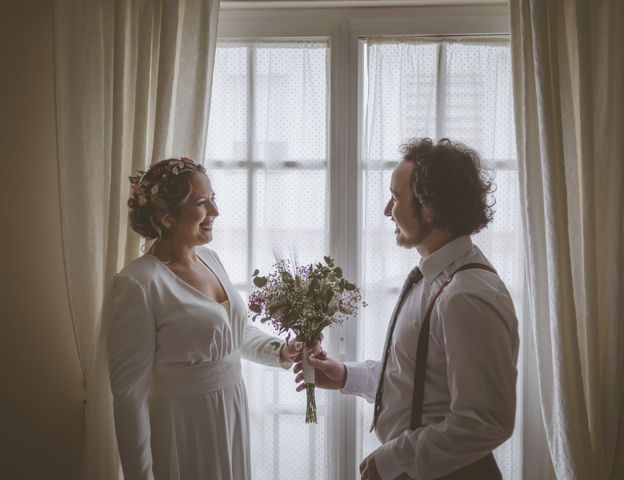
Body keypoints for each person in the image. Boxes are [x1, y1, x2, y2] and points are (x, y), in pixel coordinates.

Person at [296, 138, 519, 480]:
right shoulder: (430, 277)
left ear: (429, 207)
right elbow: (418, 382)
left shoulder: (468, 295)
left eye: (396, 198)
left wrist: (394, 459)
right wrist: (346, 375)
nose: (387, 210)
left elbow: (485, 422)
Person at [107, 157, 307, 480]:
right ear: (166, 216)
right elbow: (129, 395)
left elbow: (232, 335)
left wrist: (280, 351)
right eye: (202, 203)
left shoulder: (211, 259)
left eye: (213, 199)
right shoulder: (139, 283)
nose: (214, 212)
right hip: (183, 424)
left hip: (231, 411)